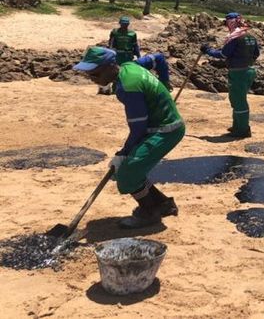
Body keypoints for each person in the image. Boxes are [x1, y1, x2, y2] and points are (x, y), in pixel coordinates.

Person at [73, 46, 185, 229]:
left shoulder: (128, 87)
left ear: (110, 67)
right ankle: (162, 204)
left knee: (127, 172)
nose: (92, 80)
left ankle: (149, 213)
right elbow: (158, 58)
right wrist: (164, 81)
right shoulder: (130, 66)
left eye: (95, 74)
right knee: (132, 167)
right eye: (89, 75)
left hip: (165, 130)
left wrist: (123, 153)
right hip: (156, 126)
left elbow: (138, 128)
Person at [201, 12, 260, 138]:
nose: (227, 25)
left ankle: (242, 130)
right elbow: (256, 54)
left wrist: (208, 51)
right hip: (249, 70)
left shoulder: (235, 37)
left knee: (239, 101)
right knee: (238, 99)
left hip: (238, 72)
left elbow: (223, 54)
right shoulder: (250, 36)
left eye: (228, 22)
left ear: (231, 22)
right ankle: (237, 126)